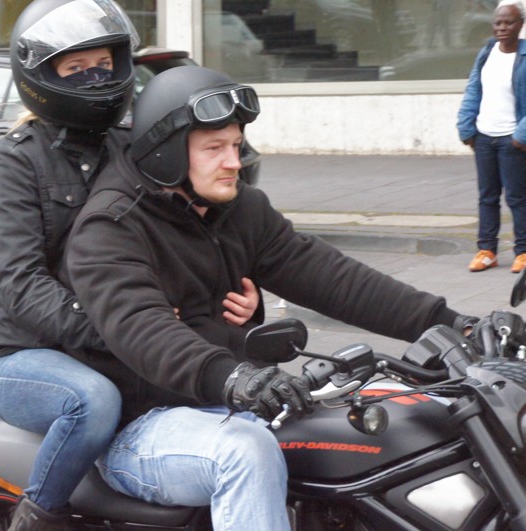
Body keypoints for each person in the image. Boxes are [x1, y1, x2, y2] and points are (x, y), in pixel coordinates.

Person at [65, 65, 475, 530]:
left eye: (236, 145)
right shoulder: (112, 226)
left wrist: (453, 324)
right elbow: (142, 329)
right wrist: (235, 377)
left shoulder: (235, 207)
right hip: (144, 425)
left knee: (398, 426)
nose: (234, 162)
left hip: (233, 403)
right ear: (166, 153)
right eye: (214, 148)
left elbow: (332, 277)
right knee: (246, 453)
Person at [0, 1, 258, 529]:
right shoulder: (15, 159)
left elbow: (188, 231)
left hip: (117, 342)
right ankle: (39, 516)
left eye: (103, 64)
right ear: (42, 76)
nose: (95, 78)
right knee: (94, 401)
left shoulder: (132, 147)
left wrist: (240, 295)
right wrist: (123, 328)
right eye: (76, 68)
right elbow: (19, 282)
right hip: (24, 351)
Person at [457, 0, 526, 273]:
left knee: (518, 198)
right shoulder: (487, 51)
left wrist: (521, 136)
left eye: (509, 22)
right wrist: (466, 128)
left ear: (520, 25)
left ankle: (523, 251)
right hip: (484, 137)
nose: (502, 27)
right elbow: (473, 88)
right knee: (487, 196)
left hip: (512, 139)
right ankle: (487, 251)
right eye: (498, 23)